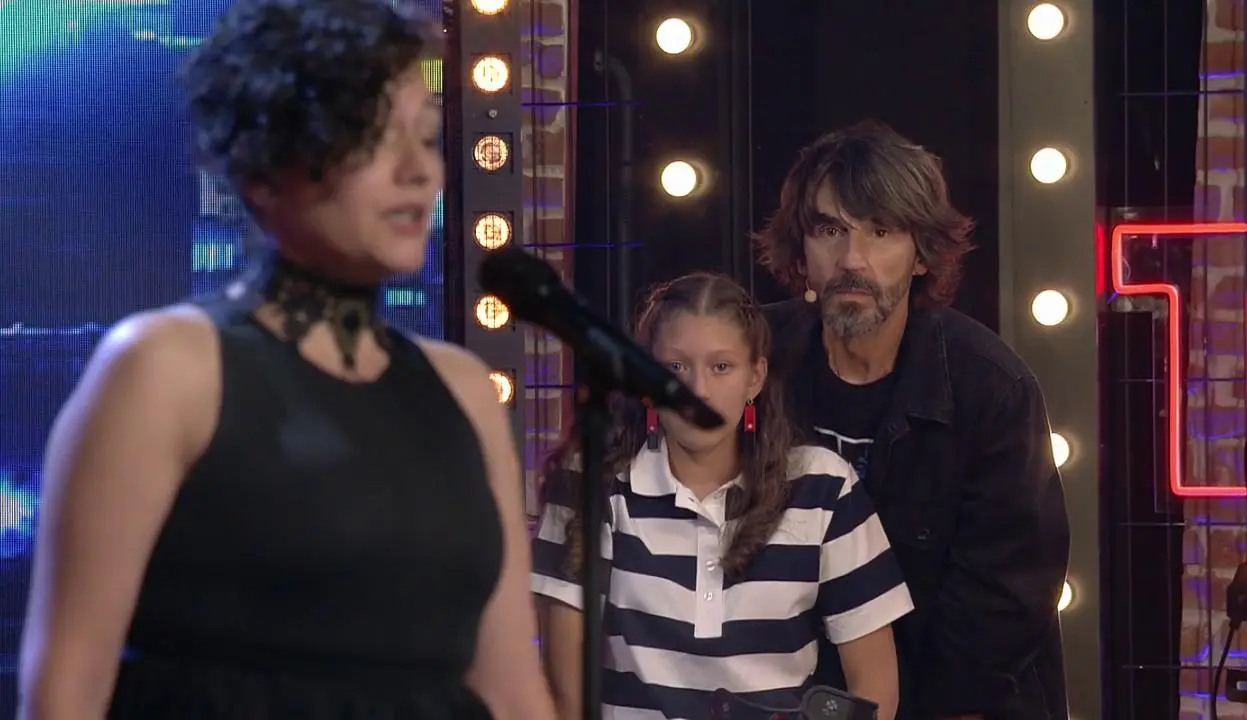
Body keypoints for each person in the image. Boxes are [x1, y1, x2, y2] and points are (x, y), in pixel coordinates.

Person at [17, 2, 556, 718]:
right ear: (264, 169)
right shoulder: (167, 367)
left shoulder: (463, 389)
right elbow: (65, 693)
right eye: (371, 139)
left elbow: (512, 691)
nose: (418, 172)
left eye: (428, 138)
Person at [753, 120, 1071, 720]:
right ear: (802, 249)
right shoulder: (751, 362)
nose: (852, 260)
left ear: (922, 253)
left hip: (957, 701)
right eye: (830, 230)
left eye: (881, 231)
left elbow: (1004, 600)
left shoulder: (990, 387)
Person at [532, 272, 913, 720]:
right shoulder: (592, 481)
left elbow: (876, 685)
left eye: (721, 367)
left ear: (756, 377)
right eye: (676, 367)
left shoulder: (823, 486)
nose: (699, 391)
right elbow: (565, 693)